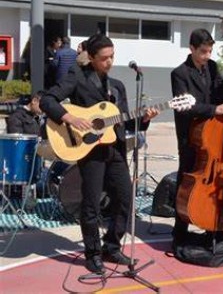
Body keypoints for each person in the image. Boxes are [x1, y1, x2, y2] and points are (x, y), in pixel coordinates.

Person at [40, 34, 159, 274]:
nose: (109, 62)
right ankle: (92, 253)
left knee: (125, 198)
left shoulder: (117, 86)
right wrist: (70, 117)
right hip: (90, 150)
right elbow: (47, 100)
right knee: (92, 203)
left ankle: (112, 247)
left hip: (114, 150)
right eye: (104, 58)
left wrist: (144, 119)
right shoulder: (77, 78)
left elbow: (123, 121)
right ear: (92, 58)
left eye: (112, 57)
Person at [170, 28, 223, 246]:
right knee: (186, 182)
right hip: (191, 137)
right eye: (203, 52)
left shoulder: (212, 67)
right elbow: (185, 108)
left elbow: (220, 95)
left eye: (210, 51)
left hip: (212, 136)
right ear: (192, 49)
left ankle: (211, 227)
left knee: (213, 183)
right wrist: (213, 110)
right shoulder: (179, 73)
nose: (207, 56)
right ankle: (179, 233)